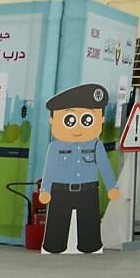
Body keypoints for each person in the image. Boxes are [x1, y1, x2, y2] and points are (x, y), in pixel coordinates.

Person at [38, 83, 120, 254]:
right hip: (60, 190)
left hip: (88, 190)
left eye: (87, 120)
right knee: (56, 230)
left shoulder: (96, 145)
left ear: (101, 120)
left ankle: (90, 245)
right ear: (52, 120)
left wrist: (112, 186)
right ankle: (54, 245)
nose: (77, 128)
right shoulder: (55, 147)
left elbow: (104, 166)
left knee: (89, 228)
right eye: (69, 120)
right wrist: (45, 189)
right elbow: (50, 169)